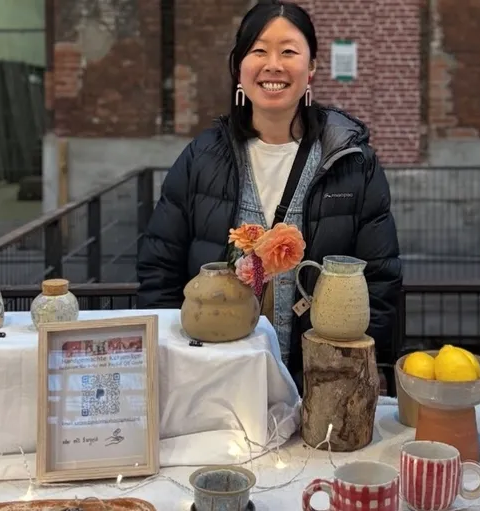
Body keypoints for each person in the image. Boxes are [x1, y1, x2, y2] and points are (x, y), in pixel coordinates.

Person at [136, 0, 402, 378]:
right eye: (258, 50)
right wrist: (175, 362)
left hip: (321, 382)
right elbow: (160, 272)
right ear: (238, 67)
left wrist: (356, 376)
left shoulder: (351, 162)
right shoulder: (201, 159)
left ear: (311, 68)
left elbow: (379, 280)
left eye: (289, 51)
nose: (273, 65)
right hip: (216, 375)